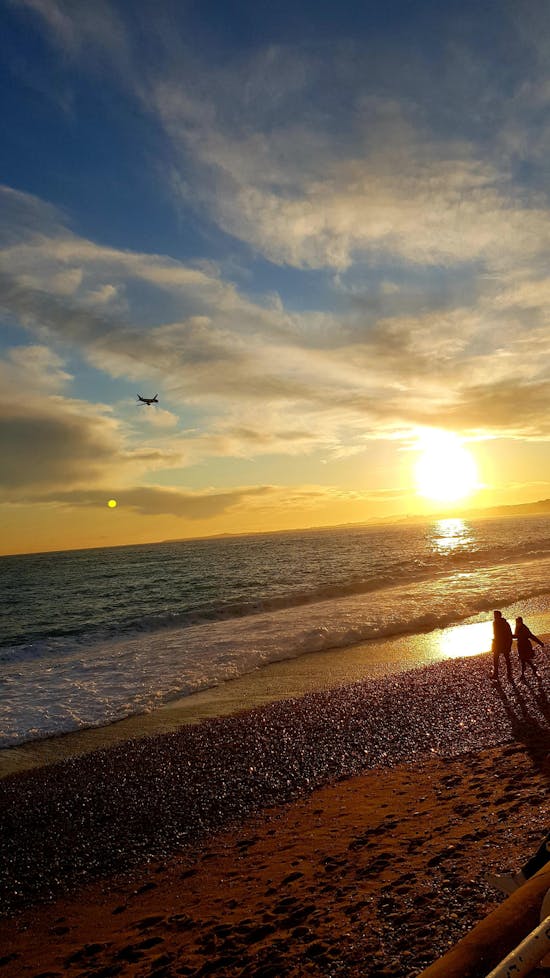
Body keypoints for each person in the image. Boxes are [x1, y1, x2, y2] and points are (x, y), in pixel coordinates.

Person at [513, 616, 544, 680]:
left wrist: (540, 642)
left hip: (525, 645)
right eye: (517, 622)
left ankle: (523, 674)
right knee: (524, 659)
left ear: (521, 621)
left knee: (523, 659)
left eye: (518, 622)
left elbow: (531, 636)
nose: (517, 623)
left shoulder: (524, 628)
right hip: (520, 645)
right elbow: (516, 636)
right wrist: (509, 636)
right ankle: (532, 668)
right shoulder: (517, 627)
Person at [491, 610, 513, 682]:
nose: (494, 616)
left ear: (499, 616)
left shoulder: (504, 623)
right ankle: (496, 674)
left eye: (495, 615)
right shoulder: (495, 623)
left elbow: (509, 634)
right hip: (498, 643)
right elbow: (495, 634)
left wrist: (509, 643)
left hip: (503, 643)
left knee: (506, 658)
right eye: (494, 615)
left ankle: (508, 673)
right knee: (496, 658)